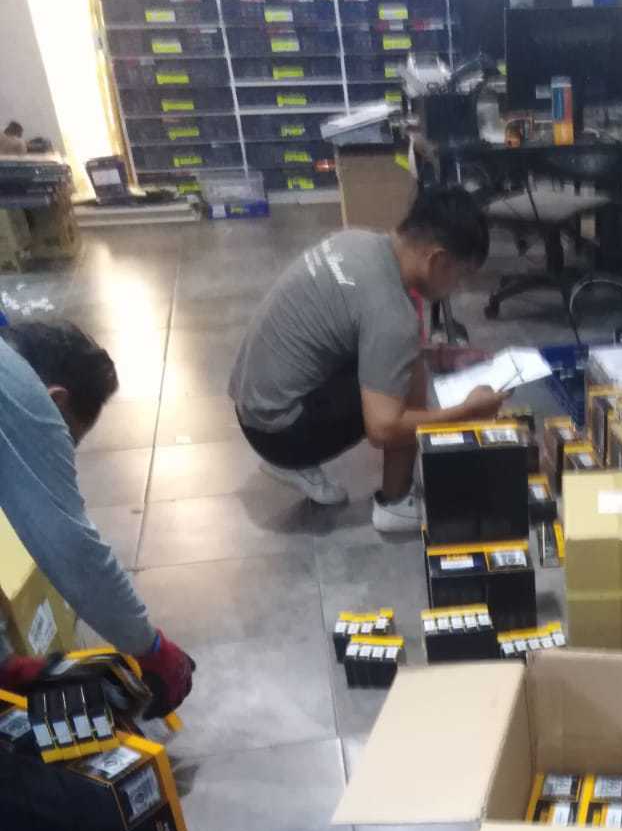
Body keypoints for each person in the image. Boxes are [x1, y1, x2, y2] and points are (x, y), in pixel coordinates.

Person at [228, 186, 509, 535]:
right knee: (409, 374)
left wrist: (438, 355)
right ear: (437, 260)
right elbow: (383, 428)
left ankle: (293, 460)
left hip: (253, 407)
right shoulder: (392, 313)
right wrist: (466, 412)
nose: (459, 287)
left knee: (407, 355)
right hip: (277, 432)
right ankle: (395, 504)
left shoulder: (358, 242)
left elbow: (364, 331)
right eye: (460, 275)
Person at [0, 322, 194, 713]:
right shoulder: (26, 397)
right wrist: (151, 648)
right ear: (56, 401)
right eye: (64, 440)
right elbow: (69, 546)